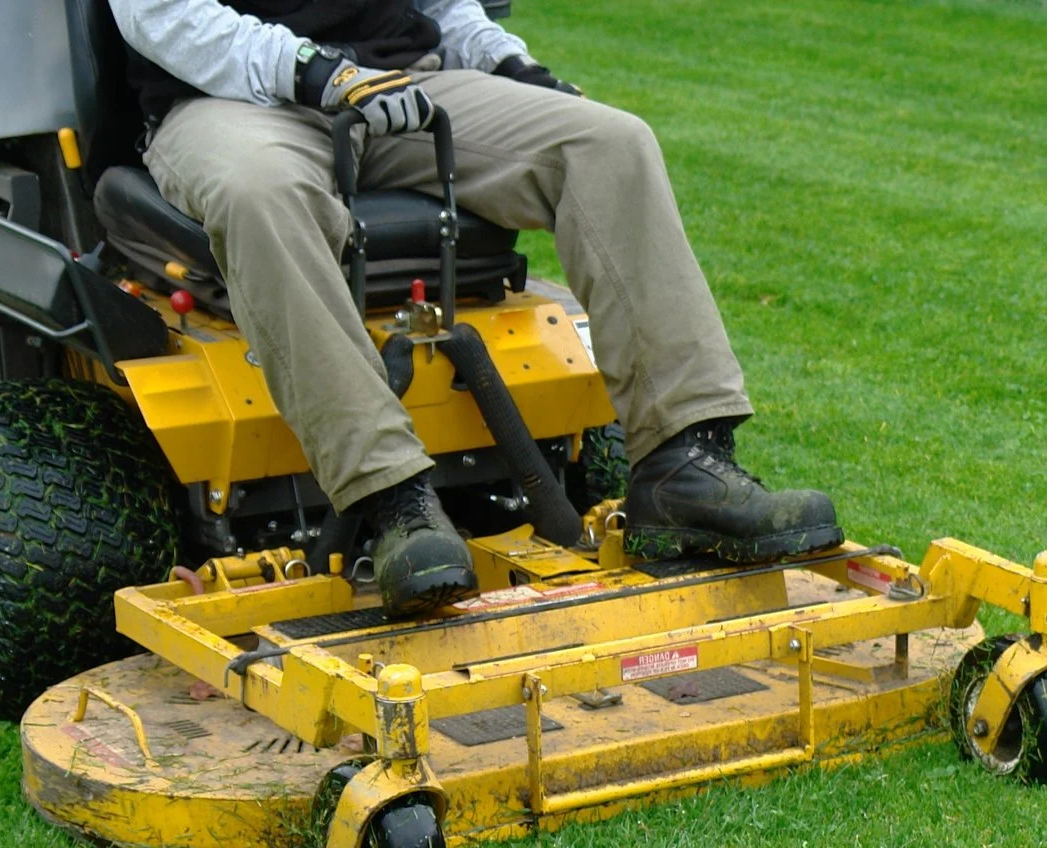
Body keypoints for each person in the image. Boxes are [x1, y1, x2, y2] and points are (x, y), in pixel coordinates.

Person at [111, 0, 843, 618]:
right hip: (232, 104)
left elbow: (440, 7)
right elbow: (163, 15)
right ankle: (392, 501)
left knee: (610, 143)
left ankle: (684, 460)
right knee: (261, 196)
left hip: (401, 89)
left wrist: (511, 68)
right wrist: (317, 72)